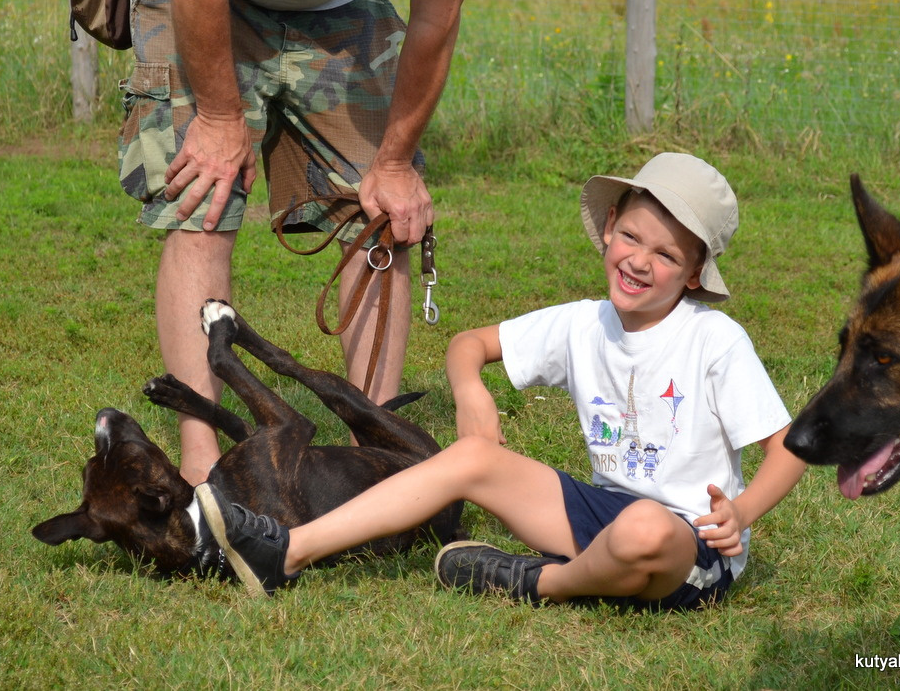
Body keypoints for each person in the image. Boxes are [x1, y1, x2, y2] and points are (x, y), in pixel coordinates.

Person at [195, 152, 807, 610]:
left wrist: (742, 512)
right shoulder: (582, 322)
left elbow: (788, 447)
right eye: (630, 237)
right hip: (597, 514)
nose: (639, 261)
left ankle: (535, 580)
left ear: (695, 273)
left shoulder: (714, 340)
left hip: (686, 544)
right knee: (472, 457)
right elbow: (469, 345)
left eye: (668, 255)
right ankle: (286, 550)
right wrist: (472, 393)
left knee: (645, 528)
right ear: (611, 224)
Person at [118, 0, 467, 486]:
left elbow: (438, 15)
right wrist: (218, 118)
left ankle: (378, 452)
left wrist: (393, 163)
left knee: (381, 220)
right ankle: (201, 464)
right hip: (208, 5)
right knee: (204, 205)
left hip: (343, 9)